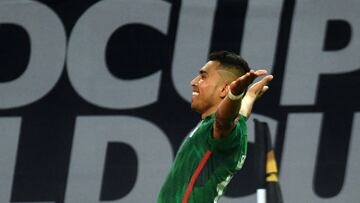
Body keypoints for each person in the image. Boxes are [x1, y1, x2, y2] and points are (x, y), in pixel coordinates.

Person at [157, 51, 273, 203]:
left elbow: (223, 120)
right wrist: (249, 96)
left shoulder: (222, 130)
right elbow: (240, 113)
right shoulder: (233, 126)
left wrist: (235, 95)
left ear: (224, 89)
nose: (194, 81)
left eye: (203, 76)